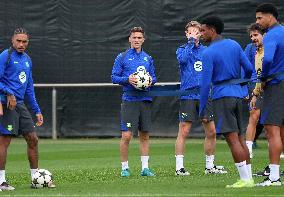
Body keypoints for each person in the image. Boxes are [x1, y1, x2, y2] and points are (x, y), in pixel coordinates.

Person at [199, 16, 254, 188]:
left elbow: (205, 84)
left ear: (212, 30)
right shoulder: (235, 44)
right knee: (241, 138)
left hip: (222, 97)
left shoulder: (207, 52)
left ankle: (245, 180)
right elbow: (250, 70)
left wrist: (202, 109)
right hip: (238, 96)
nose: (201, 34)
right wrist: (241, 85)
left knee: (232, 140)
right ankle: (249, 178)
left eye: (203, 30)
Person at [0, 28, 55, 190]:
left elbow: (29, 87)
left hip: (20, 105)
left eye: (24, 41)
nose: (21, 44)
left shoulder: (27, 60)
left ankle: (36, 179)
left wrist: (37, 110)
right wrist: (8, 92)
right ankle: (1, 181)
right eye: (18, 41)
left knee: (33, 139)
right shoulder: (5, 56)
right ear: (12, 40)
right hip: (6, 103)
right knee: (4, 141)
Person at [175, 21, 227, 176]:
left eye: (197, 32)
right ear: (186, 34)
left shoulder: (206, 50)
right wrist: (191, 42)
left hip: (205, 95)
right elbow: (183, 61)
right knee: (184, 130)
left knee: (211, 131)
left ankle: (210, 166)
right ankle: (179, 168)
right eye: (191, 32)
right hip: (188, 95)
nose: (194, 35)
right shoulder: (182, 49)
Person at [111, 27, 157, 177]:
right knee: (127, 136)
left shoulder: (148, 58)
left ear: (143, 40)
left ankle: (145, 168)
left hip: (145, 99)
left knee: (144, 135)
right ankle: (125, 168)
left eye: (139, 38)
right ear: (129, 39)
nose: (136, 40)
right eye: (134, 37)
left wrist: (150, 80)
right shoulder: (122, 57)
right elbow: (113, 77)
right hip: (129, 100)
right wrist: (128, 79)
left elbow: (154, 78)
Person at [255, 3, 284, 186]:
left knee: (271, 130)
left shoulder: (272, 34)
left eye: (259, 18)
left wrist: (263, 78)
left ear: (270, 16)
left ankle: (274, 177)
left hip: (276, 85)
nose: (257, 21)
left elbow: (269, 59)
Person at [244, 23, 265, 159]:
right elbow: (245, 68)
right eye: (251, 35)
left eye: (256, 35)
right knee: (254, 117)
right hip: (254, 84)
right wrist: (245, 88)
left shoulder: (272, 48)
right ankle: (248, 150)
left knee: (272, 122)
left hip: (271, 85)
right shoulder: (250, 48)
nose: (253, 38)